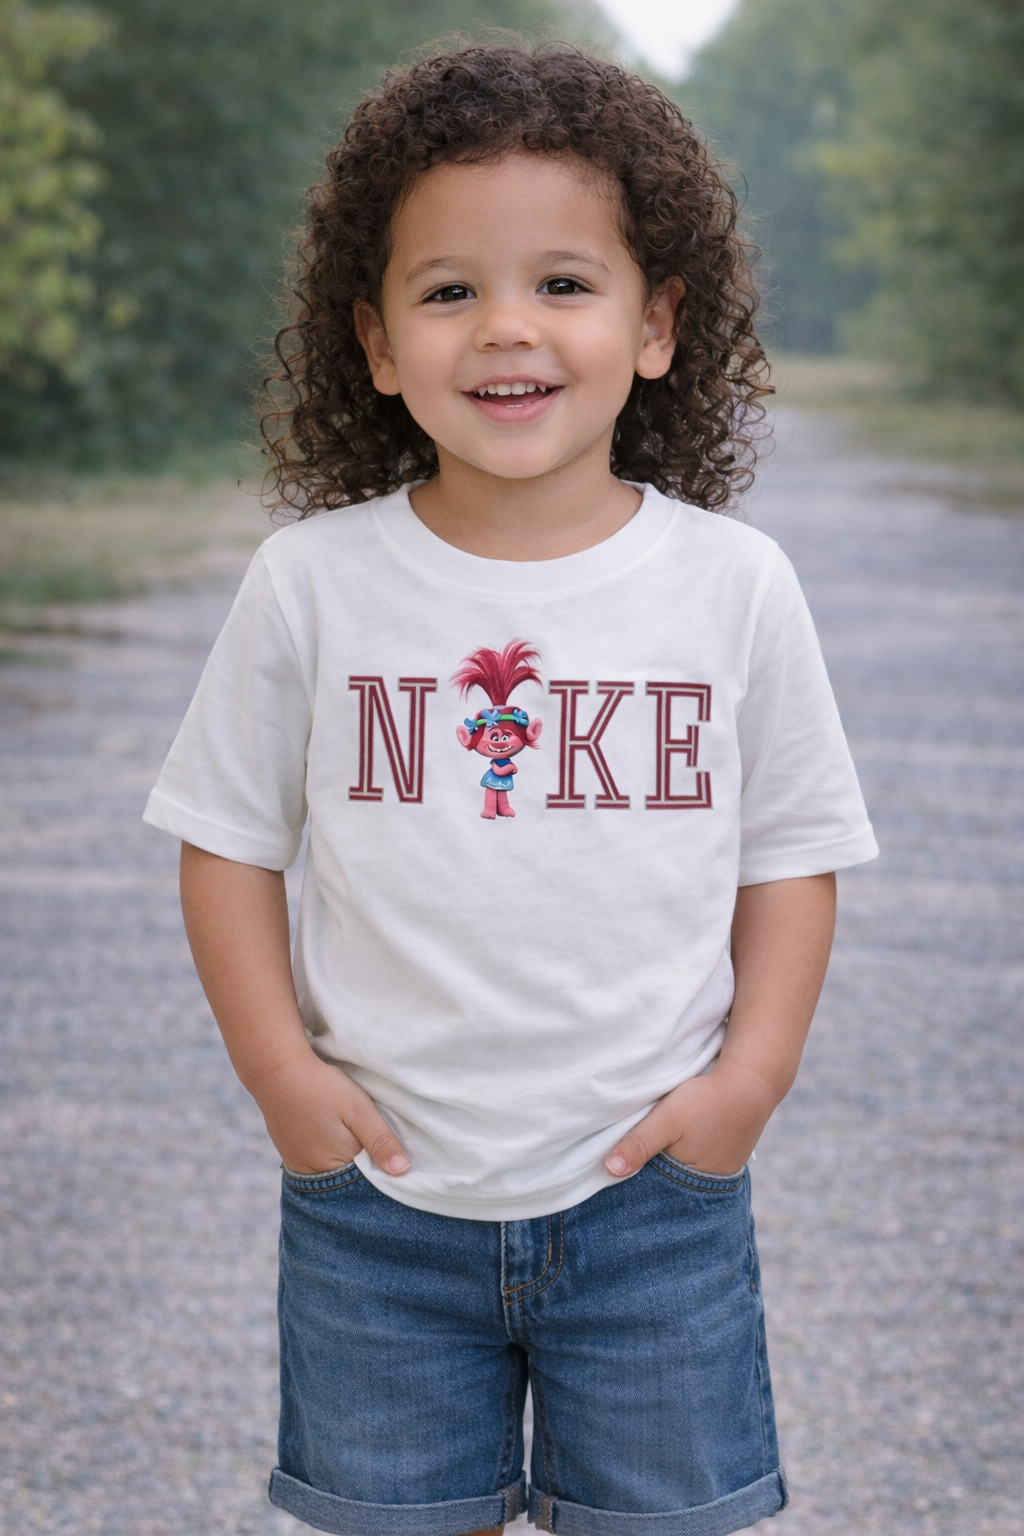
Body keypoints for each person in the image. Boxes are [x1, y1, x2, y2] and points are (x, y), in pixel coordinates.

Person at [144, 43, 878, 1536]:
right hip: (381, 1213)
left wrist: (749, 1083)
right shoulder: (314, 587)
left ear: (657, 326)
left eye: (562, 283)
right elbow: (225, 845)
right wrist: (283, 1078)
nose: (505, 331)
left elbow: (794, 853)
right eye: (447, 290)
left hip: (650, 1203)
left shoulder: (732, 587)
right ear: (374, 341)